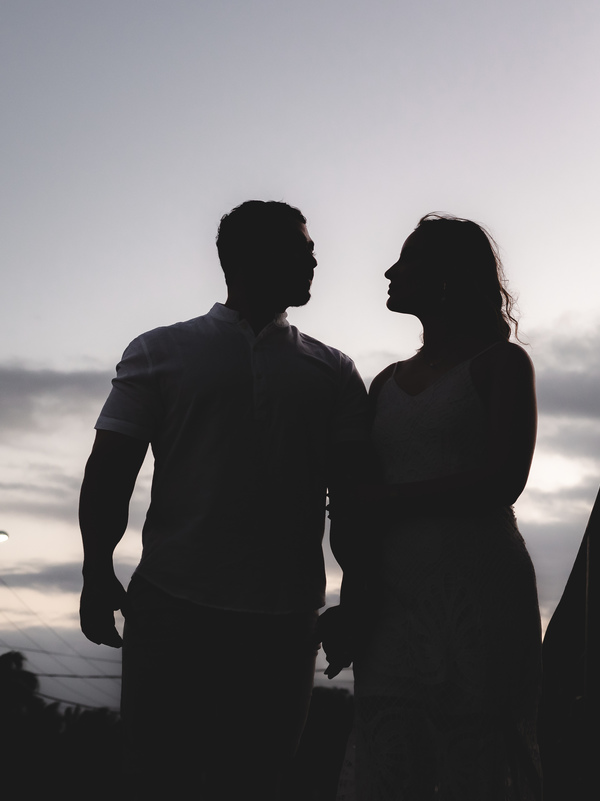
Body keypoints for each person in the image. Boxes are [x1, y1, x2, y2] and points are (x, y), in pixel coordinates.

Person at [78, 200, 370, 800]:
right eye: (301, 248)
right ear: (245, 258)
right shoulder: (160, 350)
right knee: (160, 778)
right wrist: (95, 570)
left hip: (284, 620)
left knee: (256, 780)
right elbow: (110, 470)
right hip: (174, 608)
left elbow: (352, 496)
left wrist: (354, 598)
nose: (315, 259)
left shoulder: (333, 371)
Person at [327, 213, 542, 800]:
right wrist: (352, 602)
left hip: (477, 586)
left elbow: (504, 480)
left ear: (447, 278)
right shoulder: (384, 383)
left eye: (408, 261)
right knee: (391, 759)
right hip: (393, 594)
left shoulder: (501, 364)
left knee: (474, 763)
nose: (392, 272)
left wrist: (383, 500)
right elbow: (357, 509)